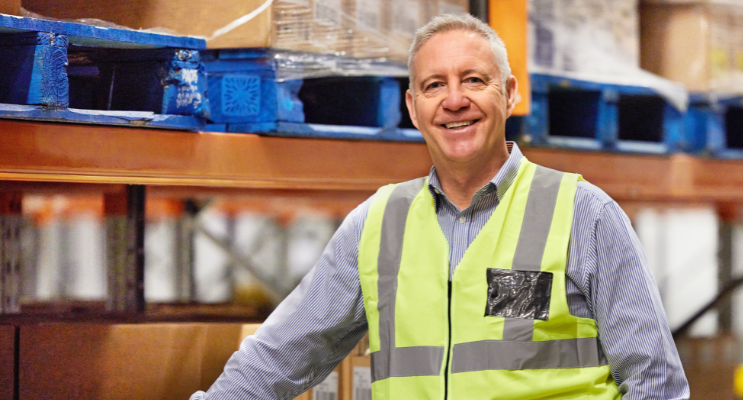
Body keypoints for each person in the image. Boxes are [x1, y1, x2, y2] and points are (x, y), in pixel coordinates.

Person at [192, 13, 689, 400]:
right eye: (434, 85)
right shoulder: (377, 224)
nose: (454, 101)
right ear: (412, 107)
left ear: (510, 94)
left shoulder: (584, 215)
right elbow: (282, 354)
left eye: (474, 80)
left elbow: (655, 382)